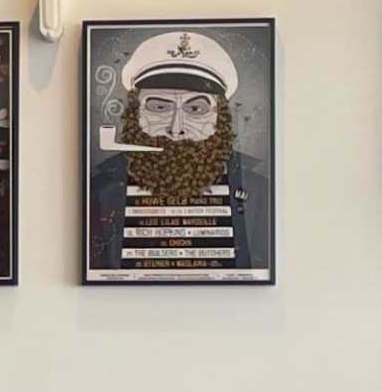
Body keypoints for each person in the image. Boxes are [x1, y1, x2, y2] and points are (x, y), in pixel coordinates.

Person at [87, 27, 260, 274]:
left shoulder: (259, 192)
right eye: (159, 107)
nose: (176, 129)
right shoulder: (99, 192)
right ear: (135, 114)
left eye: (196, 109)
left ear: (219, 118)